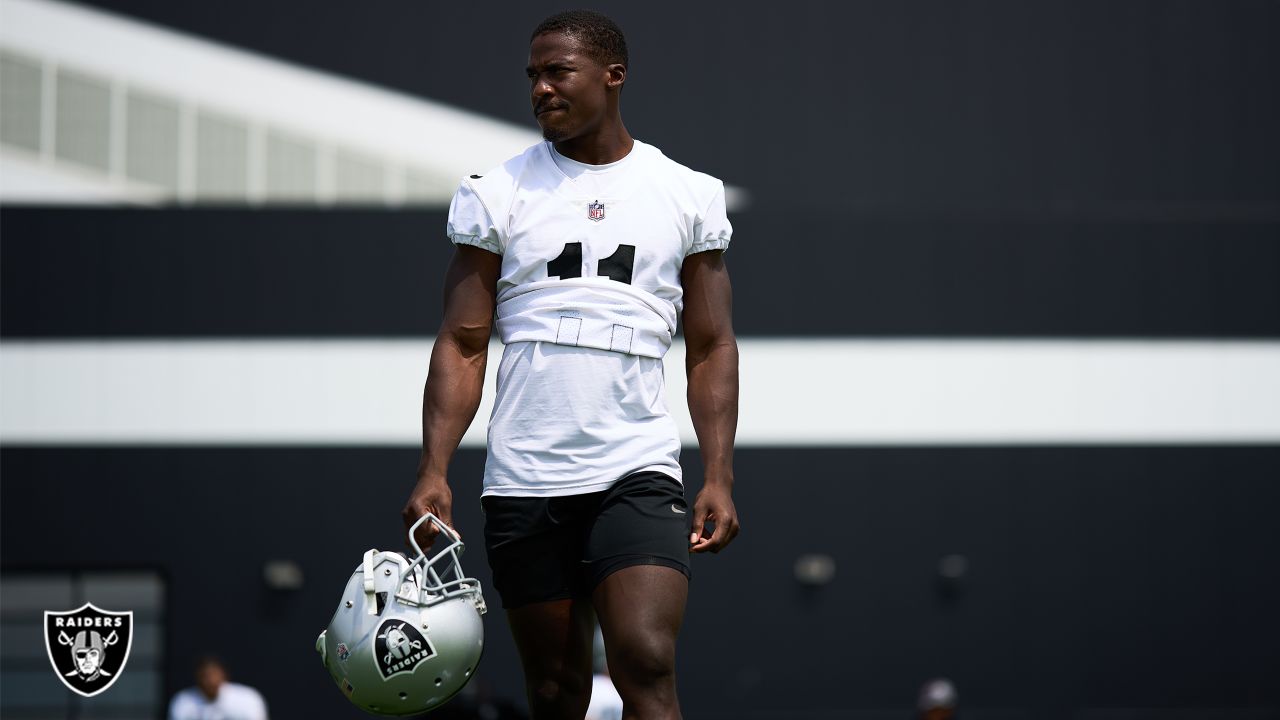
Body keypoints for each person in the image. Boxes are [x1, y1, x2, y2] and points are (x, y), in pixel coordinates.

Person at [401, 9, 740, 720]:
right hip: (525, 476)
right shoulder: (496, 192)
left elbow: (711, 346)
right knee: (556, 692)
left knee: (645, 658)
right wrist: (434, 467)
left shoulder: (686, 192)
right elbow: (462, 342)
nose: (540, 90)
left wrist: (718, 474)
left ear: (613, 75)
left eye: (558, 72)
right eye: (533, 76)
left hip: (636, 467)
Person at [168, 656, 267, 720]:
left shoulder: (247, 698)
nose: (210, 681)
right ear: (197, 678)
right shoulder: (183, 701)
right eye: (204, 676)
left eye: (214, 675)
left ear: (224, 676)